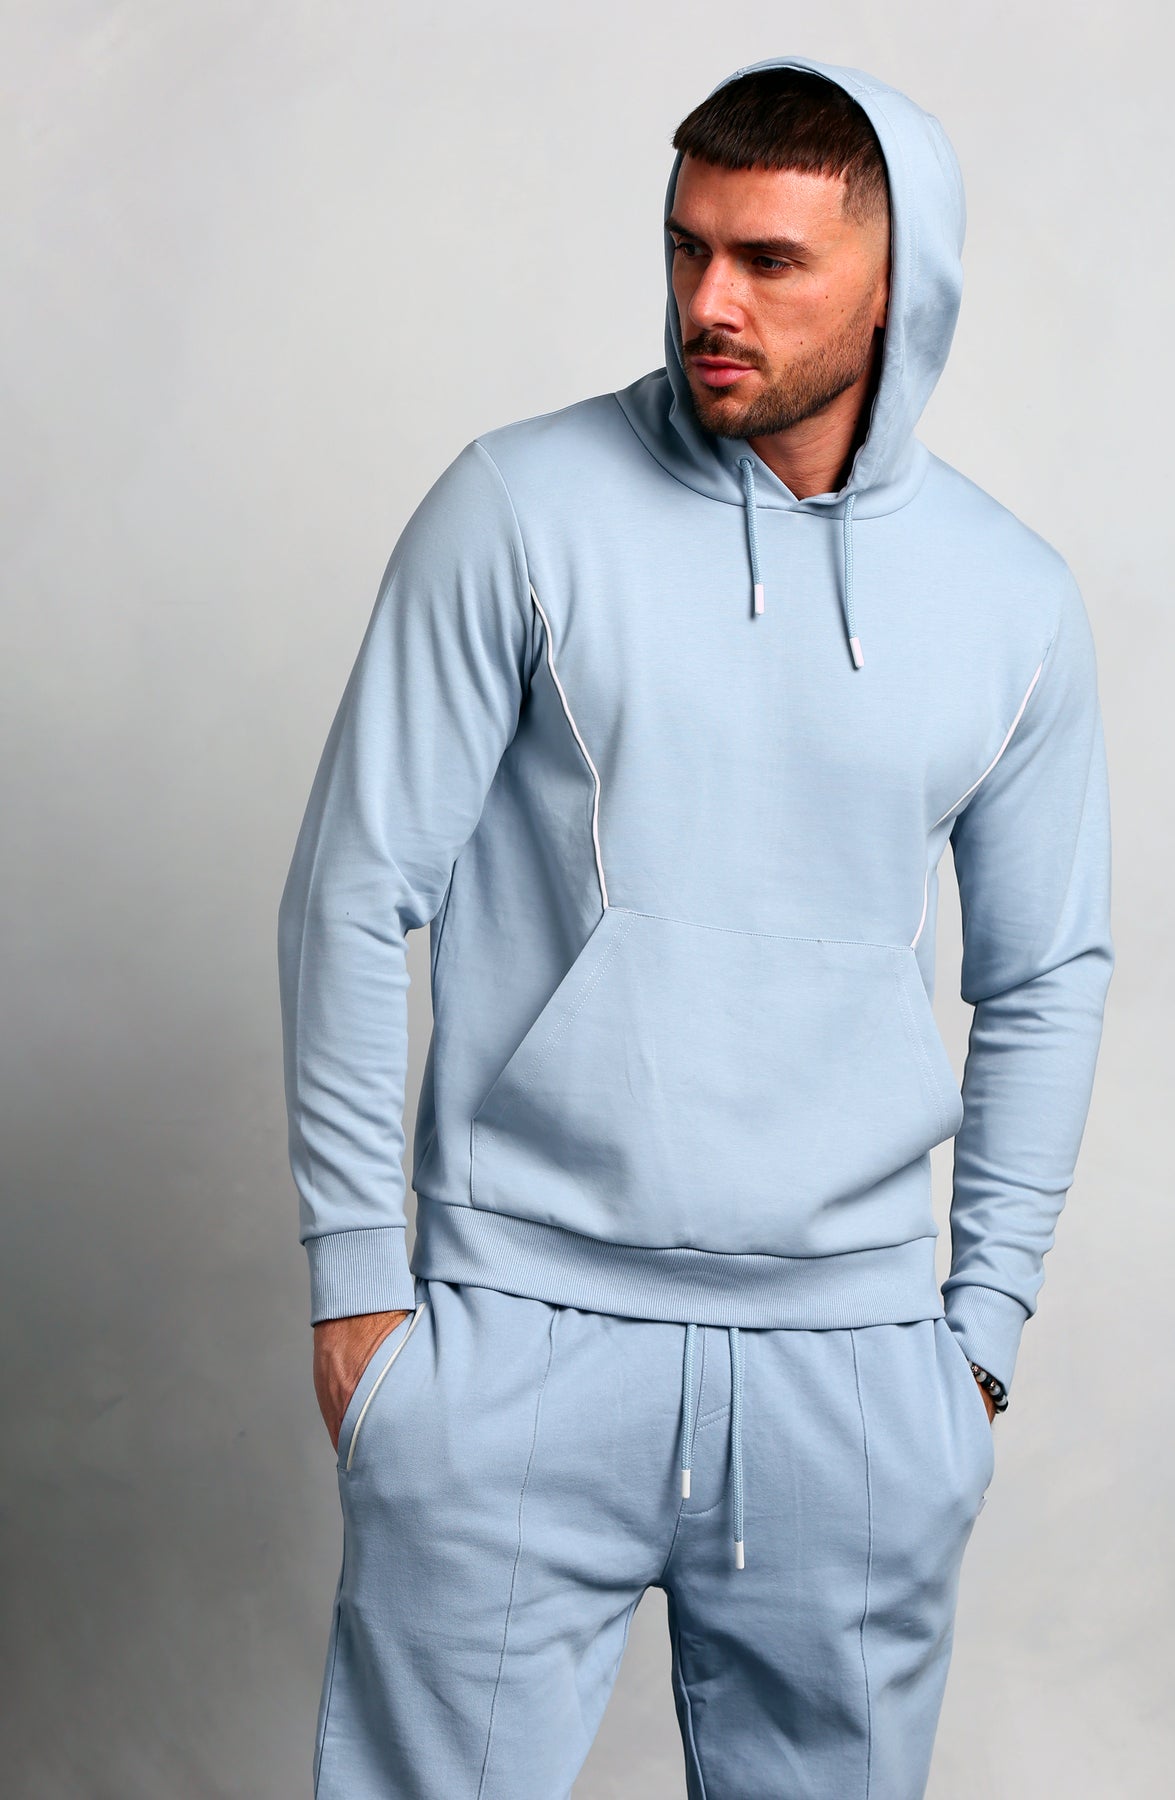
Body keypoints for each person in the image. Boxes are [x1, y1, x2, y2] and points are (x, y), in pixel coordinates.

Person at [278, 51, 1114, 1800]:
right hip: (519, 1335)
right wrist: (361, 1289)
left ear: (896, 283)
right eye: (687, 247)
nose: (708, 301)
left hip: (856, 1381)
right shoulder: (517, 508)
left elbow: (1046, 978)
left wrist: (978, 1342)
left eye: (769, 261)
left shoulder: (1013, 599)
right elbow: (356, 887)